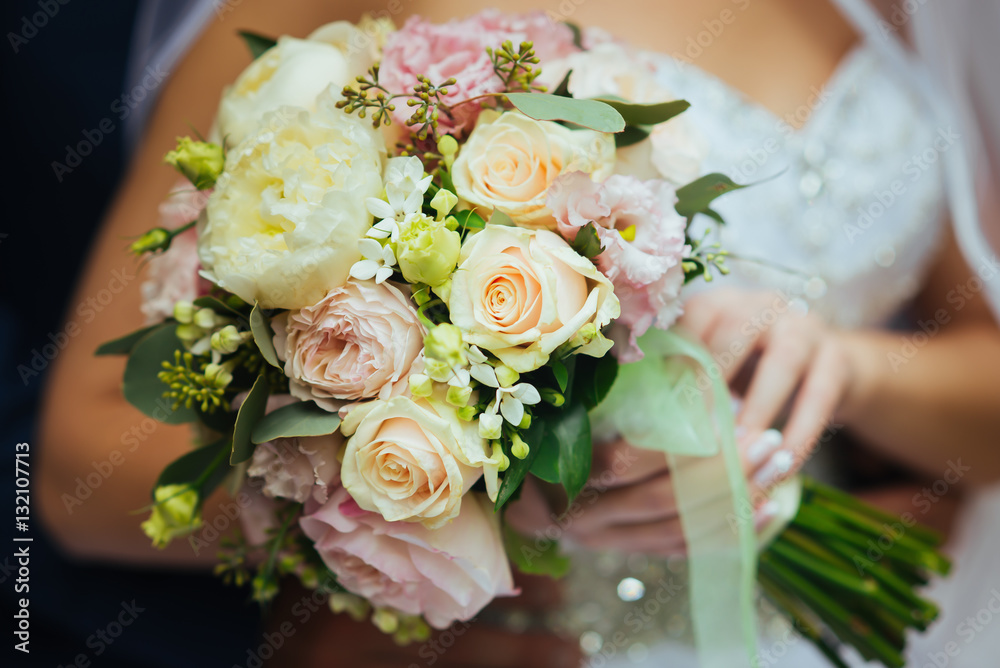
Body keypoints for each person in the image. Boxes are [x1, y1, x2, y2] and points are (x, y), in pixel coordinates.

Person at [35, 0, 1000, 666]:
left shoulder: (910, 14)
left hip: (838, 630)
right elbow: (83, 463)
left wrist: (852, 370)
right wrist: (467, 508)